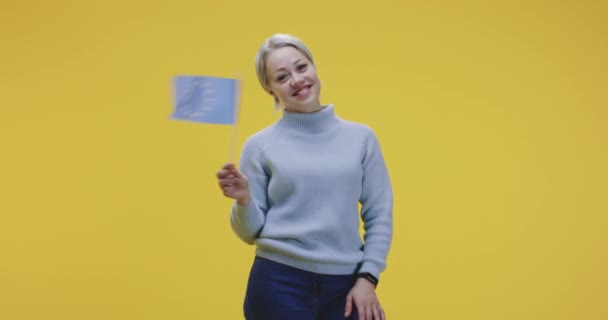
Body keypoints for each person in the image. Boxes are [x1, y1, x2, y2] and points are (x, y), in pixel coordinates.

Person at [216, 33, 393, 320]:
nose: (296, 80)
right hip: (277, 283)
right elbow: (249, 233)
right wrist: (244, 199)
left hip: (346, 284)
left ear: (314, 66)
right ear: (269, 89)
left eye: (301, 67)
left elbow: (379, 214)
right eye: (282, 76)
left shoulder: (362, 139)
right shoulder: (259, 146)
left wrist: (367, 278)